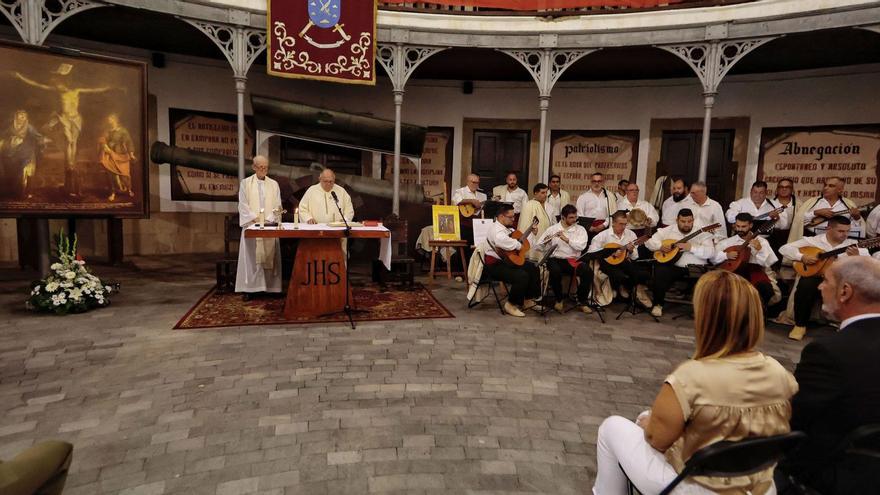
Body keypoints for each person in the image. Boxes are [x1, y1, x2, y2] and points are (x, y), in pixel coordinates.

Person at [593, 270, 797, 495]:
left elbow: (656, 441)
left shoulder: (691, 376)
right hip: (759, 484)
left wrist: (648, 424)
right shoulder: (780, 373)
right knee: (655, 416)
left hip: (701, 486)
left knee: (612, 427)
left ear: (706, 318)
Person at [779, 256, 880, 494]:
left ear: (845, 291)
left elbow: (796, 422)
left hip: (836, 475)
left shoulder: (829, 351)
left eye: (825, 280)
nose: (819, 287)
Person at [778, 216, 869, 340]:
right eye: (841, 231)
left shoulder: (853, 246)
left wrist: (857, 257)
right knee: (806, 284)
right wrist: (802, 257)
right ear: (829, 228)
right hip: (816, 276)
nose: (845, 234)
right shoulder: (813, 241)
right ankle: (800, 325)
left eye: (848, 231)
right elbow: (784, 248)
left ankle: (845, 326)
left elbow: (869, 265)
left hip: (840, 280)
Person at [645, 208, 714, 317]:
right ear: (677, 220)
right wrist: (660, 246)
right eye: (683, 221)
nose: (686, 224)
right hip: (675, 267)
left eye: (689, 221)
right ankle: (658, 304)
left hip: (696, 269)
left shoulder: (702, 233)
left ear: (693, 220)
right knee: (660, 269)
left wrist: (691, 248)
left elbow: (710, 253)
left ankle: (700, 309)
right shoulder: (668, 231)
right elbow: (649, 242)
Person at [235, 156, 283, 300]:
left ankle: (271, 288)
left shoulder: (274, 184)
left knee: (270, 257)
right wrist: (255, 220)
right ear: (254, 167)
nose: (263, 170)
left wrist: (267, 220)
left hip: (269, 225)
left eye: (266, 167)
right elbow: (243, 205)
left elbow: (277, 205)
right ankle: (250, 289)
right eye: (260, 167)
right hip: (252, 226)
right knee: (251, 258)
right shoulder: (245, 183)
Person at [481, 203, 542, 317]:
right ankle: (511, 304)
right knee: (521, 275)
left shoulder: (508, 229)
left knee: (532, 267)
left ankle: (527, 300)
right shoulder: (497, 231)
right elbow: (506, 243)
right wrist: (518, 245)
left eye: (514, 216)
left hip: (507, 261)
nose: (513, 219)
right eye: (511, 217)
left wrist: (532, 234)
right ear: (501, 216)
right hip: (494, 265)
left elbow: (526, 245)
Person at [711, 213, 778, 306]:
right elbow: (713, 258)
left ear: (750, 225)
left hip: (754, 270)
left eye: (743, 226)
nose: (740, 229)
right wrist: (726, 255)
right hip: (734, 271)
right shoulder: (728, 242)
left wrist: (759, 250)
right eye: (737, 226)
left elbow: (767, 263)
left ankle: (757, 313)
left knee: (766, 289)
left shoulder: (762, 242)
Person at [537, 204, 594, 314]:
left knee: (588, 272)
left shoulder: (580, 230)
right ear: (563, 217)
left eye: (575, 217)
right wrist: (546, 242)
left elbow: (581, 246)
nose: (574, 220)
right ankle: (559, 299)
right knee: (555, 271)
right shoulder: (552, 229)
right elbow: (538, 246)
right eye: (571, 217)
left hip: (573, 260)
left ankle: (582, 301)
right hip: (556, 258)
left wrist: (567, 239)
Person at [588, 210, 650, 303]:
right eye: (621, 224)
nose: (623, 227)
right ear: (613, 223)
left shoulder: (631, 234)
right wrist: (610, 253)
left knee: (642, 275)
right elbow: (592, 252)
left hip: (625, 261)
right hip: (607, 262)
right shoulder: (602, 236)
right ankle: (619, 288)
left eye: (625, 224)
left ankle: (629, 290)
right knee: (620, 276)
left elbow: (635, 257)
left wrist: (631, 250)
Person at [790, 177, 863, 242]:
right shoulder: (812, 202)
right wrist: (815, 213)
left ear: (840, 190)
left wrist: (857, 218)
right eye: (825, 185)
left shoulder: (849, 204)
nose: (825, 188)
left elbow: (856, 228)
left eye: (831, 186)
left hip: (840, 243)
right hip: (814, 241)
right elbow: (798, 222)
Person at [0, 109, 43, 199]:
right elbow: (3, 135)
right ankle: (13, 191)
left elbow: (38, 137)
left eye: (24, 116)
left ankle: (24, 193)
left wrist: (40, 142)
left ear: (26, 118)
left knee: (26, 173)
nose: (22, 118)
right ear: (16, 117)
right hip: (13, 154)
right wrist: (11, 140)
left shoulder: (29, 127)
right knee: (13, 172)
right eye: (20, 116)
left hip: (26, 153)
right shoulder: (11, 127)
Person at [98, 114, 135, 202]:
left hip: (121, 154)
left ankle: (129, 189)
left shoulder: (122, 131)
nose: (108, 121)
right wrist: (104, 146)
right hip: (110, 154)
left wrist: (131, 153)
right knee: (111, 174)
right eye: (108, 119)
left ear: (115, 120)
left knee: (125, 173)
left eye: (110, 119)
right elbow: (102, 139)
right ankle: (113, 192)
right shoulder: (107, 131)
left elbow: (129, 141)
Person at [517, 183, 552, 262]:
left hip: (543, 240)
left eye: (546, 192)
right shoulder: (529, 205)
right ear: (536, 193)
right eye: (542, 193)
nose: (545, 195)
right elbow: (524, 225)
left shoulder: (543, 205)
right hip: (532, 241)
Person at [769, 178, 798, 256]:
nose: (784, 189)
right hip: (773, 238)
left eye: (787, 187)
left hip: (792, 237)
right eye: (781, 187)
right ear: (777, 189)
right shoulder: (769, 204)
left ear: (792, 190)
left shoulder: (799, 205)